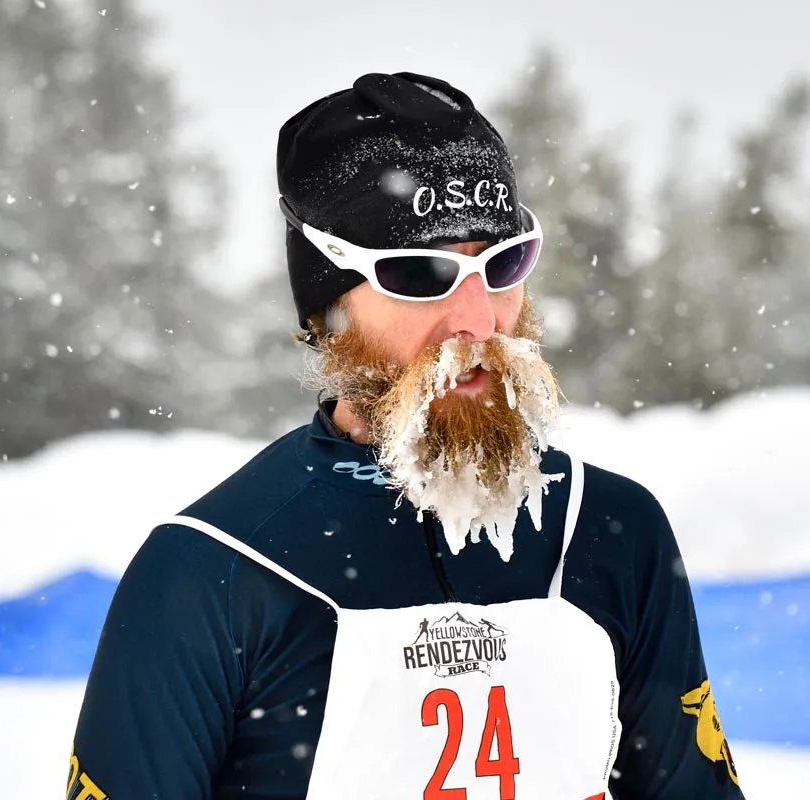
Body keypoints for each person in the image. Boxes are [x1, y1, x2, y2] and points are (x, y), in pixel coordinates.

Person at [68, 71, 745, 800]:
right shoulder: (213, 571)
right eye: (422, 273)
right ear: (327, 307)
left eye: (502, 262)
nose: (478, 320)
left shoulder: (612, 533)